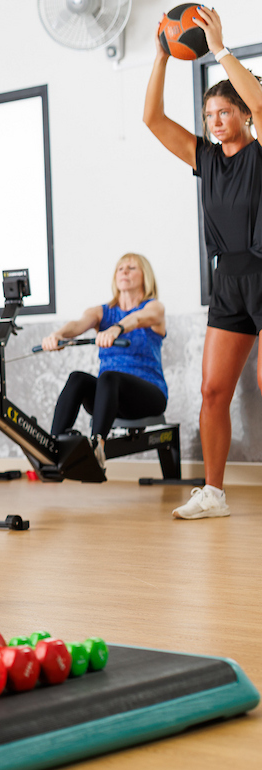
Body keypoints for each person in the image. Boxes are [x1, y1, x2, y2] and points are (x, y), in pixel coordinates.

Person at [144, 6, 262, 519]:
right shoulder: (206, 159)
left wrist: (220, 50)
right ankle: (213, 493)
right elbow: (151, 120)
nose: (215, 122)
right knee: (213, 390)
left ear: (245, 114)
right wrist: (161, 57)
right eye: (210, 114)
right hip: (229, 281)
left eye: (225, 112)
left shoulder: (260, 151)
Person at [42, 253, 168, 468]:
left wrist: (116, 329)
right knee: (78, 379)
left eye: (131, 268)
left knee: (109, 377)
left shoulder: (154, 307)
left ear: (145, 276)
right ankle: (51, 448)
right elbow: (78, 324)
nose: (125, 272)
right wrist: (59, 335)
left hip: (148, 396)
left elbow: (137, 318)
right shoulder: (102, 312)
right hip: (108, 399)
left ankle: (96, 448)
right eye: (120, 268)